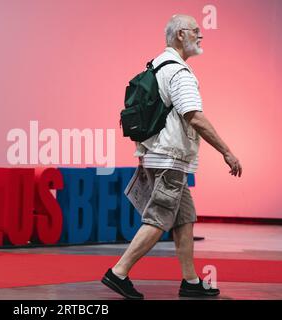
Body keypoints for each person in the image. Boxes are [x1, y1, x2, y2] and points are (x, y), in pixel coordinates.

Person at [101, 14, 242, 299]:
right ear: (180, 34)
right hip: (170, 160)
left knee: (184, 218)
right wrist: (227, 151)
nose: (200, 36)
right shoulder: (179, 73)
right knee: (158, 218)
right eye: (196, 31)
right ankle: (118, 272)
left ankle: (190, 281)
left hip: (158, 155)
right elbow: (195, 117)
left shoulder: (156, 65)